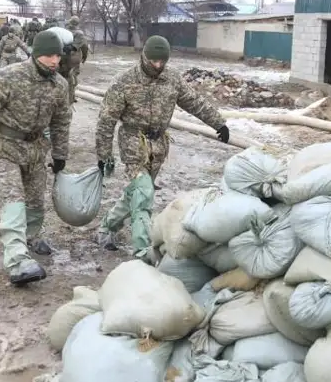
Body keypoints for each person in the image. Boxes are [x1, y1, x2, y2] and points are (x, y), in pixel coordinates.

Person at [95, 35, 230, 262]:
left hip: (158, 145)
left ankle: (106, 227)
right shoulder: (124, 82)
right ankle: (141, 250)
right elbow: (106, 120)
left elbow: (194, 102)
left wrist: (218, 122)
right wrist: (104, 155)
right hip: (132, 142)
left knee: (137, 194)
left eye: (162, 62)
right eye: (153, 61)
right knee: (144, 192)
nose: (157, 66)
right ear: (144, 56)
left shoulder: (172, 80)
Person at [0, 31, 72, 285]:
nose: (54, 61)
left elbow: (62, 122)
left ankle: (30, 238)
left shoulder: (60, 85)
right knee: (14, 201)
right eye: (48, 55)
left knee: (35, 202)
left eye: (57, 56)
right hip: (6, 147)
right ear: (36, 53)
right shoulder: (10, 76)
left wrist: (60, 154)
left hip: (36, 149)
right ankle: (18, 261)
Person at [57, 15, 89, 104]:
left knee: (61, 75)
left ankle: (60, 95)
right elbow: (85, 46)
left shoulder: (63, 31)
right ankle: (70, 98)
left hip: (62, 57)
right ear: (78, 23)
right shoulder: (80, 33)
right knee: (72, 77)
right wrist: (84, 57)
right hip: (74, 58)